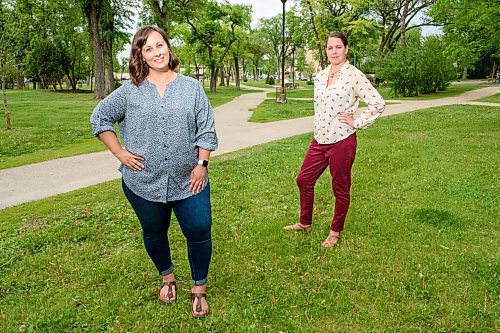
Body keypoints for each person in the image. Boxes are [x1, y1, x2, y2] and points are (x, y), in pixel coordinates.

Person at [90, 25, 217, 318]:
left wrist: (202, 165)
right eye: (148, 49)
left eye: (160, 45)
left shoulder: (191, 88)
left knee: (199, 229)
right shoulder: (130, 90)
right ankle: (167, 277)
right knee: (154, 231)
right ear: (141, 56)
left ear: (168, 48)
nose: (156, 52)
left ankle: (199, 287)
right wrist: (120, 152)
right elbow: (100, 118)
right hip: (143, 182)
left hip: (190, 180)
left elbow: (207, 130)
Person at [284, 31, 385, 248]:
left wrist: (356, 121)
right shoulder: (320, 76)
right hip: (319, 140)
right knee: (304, 180)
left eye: (338, 47)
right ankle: (305, 223)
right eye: (330, 48)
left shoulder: (354, 75)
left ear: (346, 49)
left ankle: (335, 231)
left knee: (340, 187)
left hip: (342, 141)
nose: (334, 52)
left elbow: (378, 103)